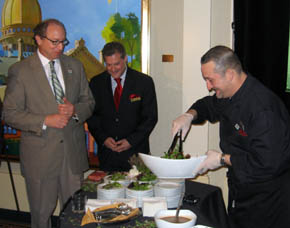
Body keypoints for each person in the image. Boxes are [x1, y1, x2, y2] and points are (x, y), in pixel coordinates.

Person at [172, 46, 290, 228]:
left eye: (210, 80)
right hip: (240, 189)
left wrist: (221, 159)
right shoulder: (228, 95)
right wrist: (190, 115)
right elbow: (207, 105)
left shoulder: (263, 109)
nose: (208, 87)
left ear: (230, 74)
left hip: (265, 200)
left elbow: (267, 163)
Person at [3, 19, 95, 228]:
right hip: (40, 159)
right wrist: (45, 120)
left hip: (72, 157)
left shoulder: (75, 66)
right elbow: (9, 114)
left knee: (75, 217)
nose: (60, 47)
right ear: (38, 40)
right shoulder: (21, 71)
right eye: (55, 42)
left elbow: (89, 102)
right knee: (41, 216)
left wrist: (75, 111)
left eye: (63, 42)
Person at [87, 41, 158, 172]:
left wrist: (130, 141)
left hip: (136, 153)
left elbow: (150, 118)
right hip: (108, 155)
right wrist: (103, 139)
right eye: (108, 65)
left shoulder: (144, 82)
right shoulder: (96, 83)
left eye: (116, 64)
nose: (113, 69)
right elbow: (91, 117)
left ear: (125, 59)